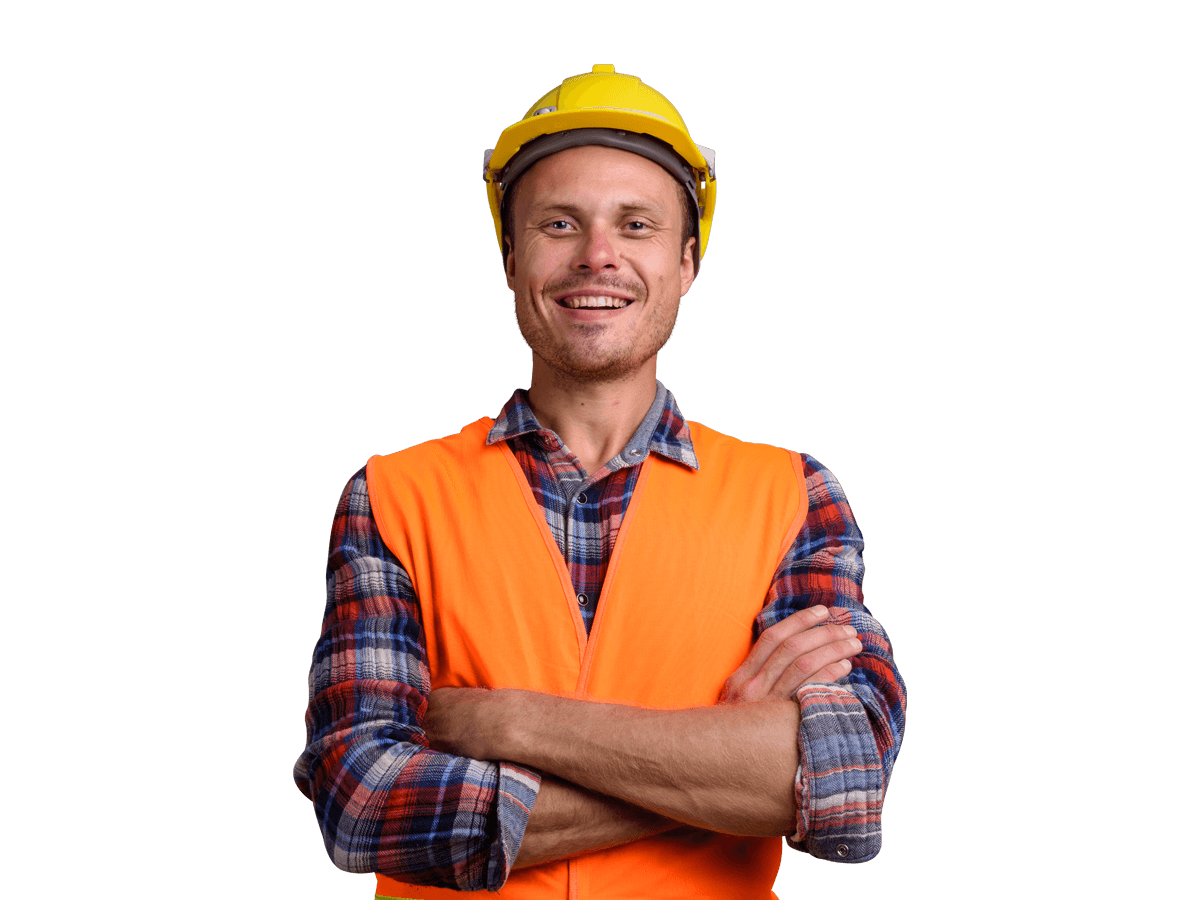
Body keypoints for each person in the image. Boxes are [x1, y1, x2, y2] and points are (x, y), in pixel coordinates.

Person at [294, 64, 906, 899]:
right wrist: (736, 767)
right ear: (511, 259)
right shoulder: (393, 495)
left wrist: (503, 722)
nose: (599, 256)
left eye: (638, 225)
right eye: (558, 223)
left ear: (687, 262)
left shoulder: (794, 495)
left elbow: (850, 784)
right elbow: (361, 806)